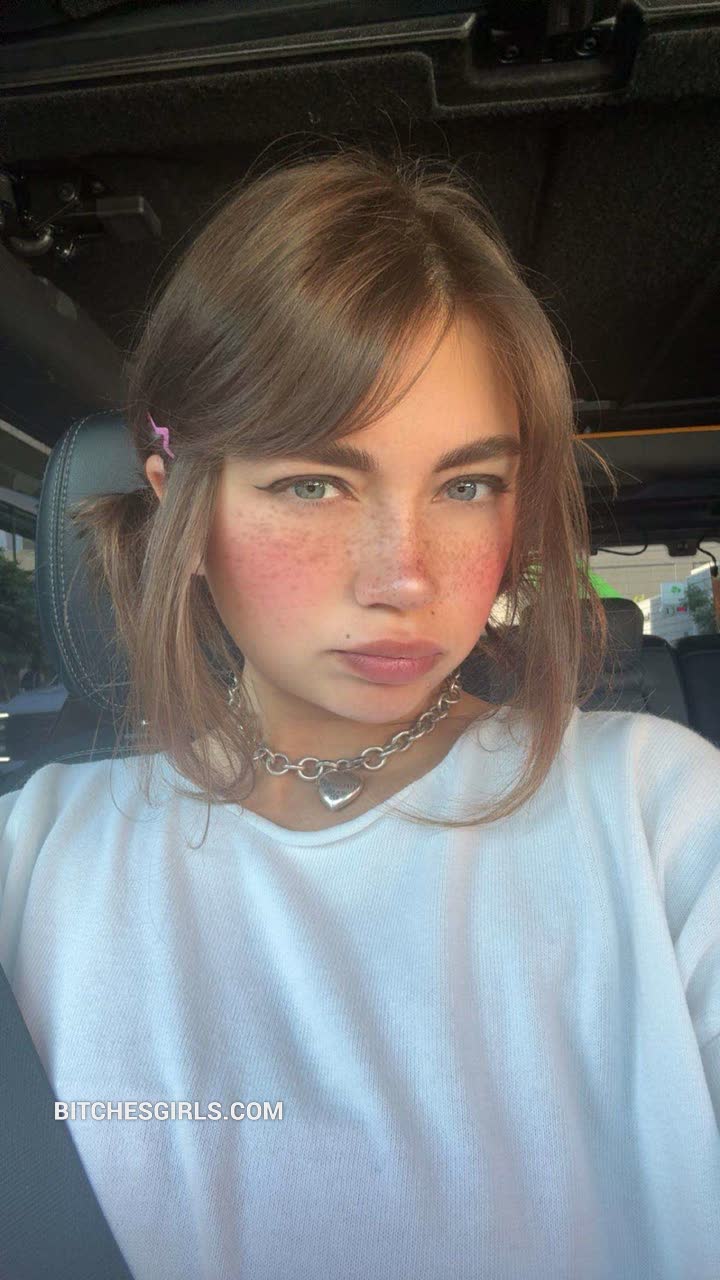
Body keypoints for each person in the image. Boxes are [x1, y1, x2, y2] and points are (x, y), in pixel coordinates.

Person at [1, 145, 718, 1280]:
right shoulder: (33, 856)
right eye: (313, 484)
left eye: (468, 485)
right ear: (180, 507)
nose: (405, 576)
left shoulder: (663, 816)